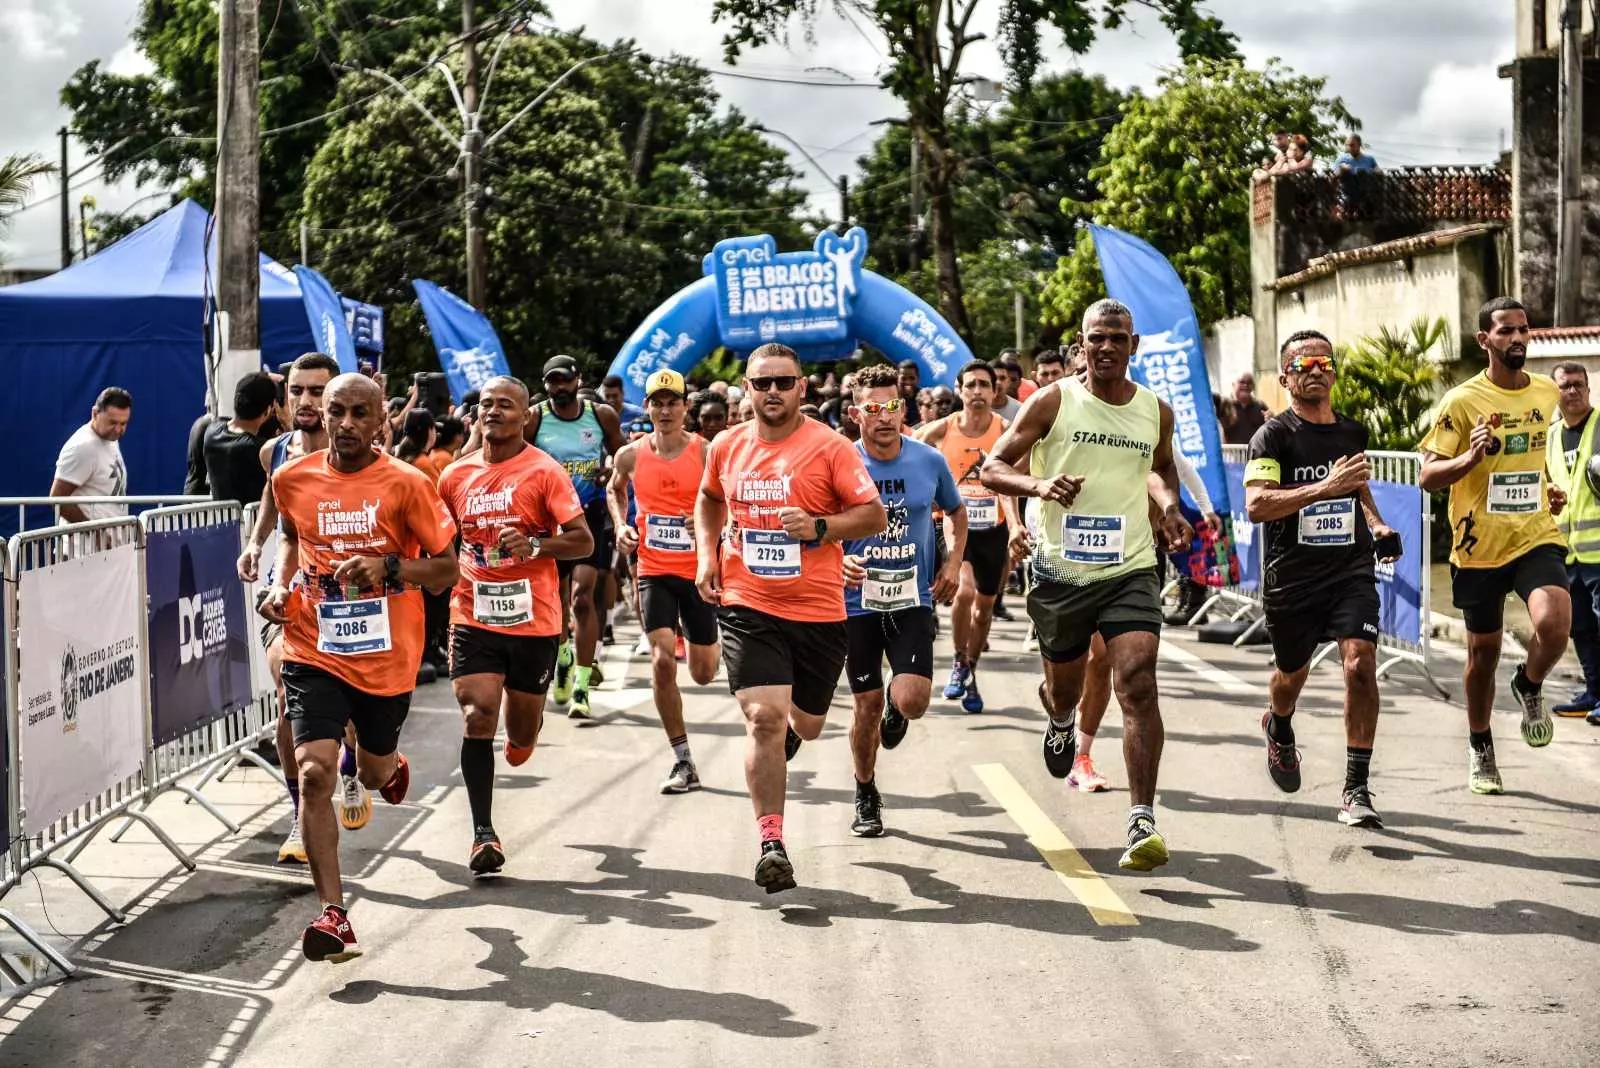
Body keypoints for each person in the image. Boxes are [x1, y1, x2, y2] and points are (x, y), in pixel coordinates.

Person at [981, 298, 1191, 873]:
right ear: (1081, 344)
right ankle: (1058, 718)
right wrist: (1040, 486)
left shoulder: (1154, 410)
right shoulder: (1052, 401)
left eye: (1116, 338)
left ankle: (1141, 817)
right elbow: (992, 468)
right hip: (1062, 571)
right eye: (1095, 338)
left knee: (1138, 680)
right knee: (1066, 688)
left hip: (1130, 567)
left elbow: (1162, 464)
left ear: (1134, 345)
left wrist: (1169, 507)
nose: (1105, 347)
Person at [258, 373, 460, 961]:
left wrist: (389, 568)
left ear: (381, 422)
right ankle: (334, 914)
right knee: (316, 773)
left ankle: (387, 762)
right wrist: (280, 585)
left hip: (386, 657)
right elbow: (292, 541)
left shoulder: (407, 484)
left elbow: (448, 570)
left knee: (369, 777)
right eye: (335, 411)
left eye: (357, 413)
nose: (344, 423)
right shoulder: (292, 477)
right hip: (312, 645)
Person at [695, 342, 886, 893]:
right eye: (762, 383)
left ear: (803, 388)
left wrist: (821, 529)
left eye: (783, 382)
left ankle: (788, 743)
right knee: (764, 718)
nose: (772, 392)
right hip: (747, 601)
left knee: (806, 722)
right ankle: (771, 842)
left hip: (819, 609)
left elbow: (872, 515)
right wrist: (707, 555)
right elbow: (709, 499)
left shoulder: (830, 448)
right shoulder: (727, 446)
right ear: (746, 390)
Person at [437, 376, 593, 874]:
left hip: (534, 620)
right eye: (486, 404)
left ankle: (526, 731)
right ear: (476, 415)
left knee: (520, 735)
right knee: (477, 715)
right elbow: (437, 545)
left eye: (506, 405)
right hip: (473, 612)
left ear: (526, 416)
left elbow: (583, 541)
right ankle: (484, 833)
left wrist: (536, 545)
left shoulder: (544, 472)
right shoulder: (454, 477)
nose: (494, 412)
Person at [1244, 331, 1399, 827]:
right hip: (1292, 578)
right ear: (1286, 377)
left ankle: (1356, 789)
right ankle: (1279, 723)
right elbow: (1257, 504)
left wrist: (1376, 524)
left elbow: (1355, 489)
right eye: (1303, 364)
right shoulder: (1272, 436)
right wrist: (1323, 487)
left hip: (1349, 570)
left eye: (1324, 363)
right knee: (1291, 675)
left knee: (1360, 664)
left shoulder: (1352, 432)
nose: (1315, 370)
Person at [1419, 297, 1570, 794]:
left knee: (1554, 622)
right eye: (1506, 331)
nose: (1518, 339)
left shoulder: (1546, 393)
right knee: (1481, 657)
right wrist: (1469, 456)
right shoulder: (1462, 401)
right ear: (1485, 340)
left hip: (1534, 535)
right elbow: (1427, 476)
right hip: (1477, 548)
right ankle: (1480, 746)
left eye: (1523, 330)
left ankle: (1528, 683)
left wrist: (1548, 485)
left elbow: (1539, 456)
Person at [237, 353, 374, 863]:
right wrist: (254, 545)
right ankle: (299, 816)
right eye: (297, 392)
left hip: (352, 604)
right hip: (293, 595)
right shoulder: (275, 452)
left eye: (318, 392)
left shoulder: (363, 454)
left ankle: (353, 768)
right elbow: (275, 507)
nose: (307, 402)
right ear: (283, 398)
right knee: (287, 696)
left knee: (350, 713)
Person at [838, 365, 966, 837]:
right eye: (873, 408)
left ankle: (898, 707)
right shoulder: (839, 460)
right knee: (864, 707)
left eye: (892, 406)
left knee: (911, 700)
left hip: (911, 597)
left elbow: (956, 510)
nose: (884, 417)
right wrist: (837, 561)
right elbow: (817, 525)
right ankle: (865, 791)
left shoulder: (928, 460)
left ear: (903, 408)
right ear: (856, 413)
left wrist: (951, 564)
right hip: (857, 603)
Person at [609, 369, 720, 794]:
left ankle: (706, 645)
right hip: (653, 569)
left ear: (685, 408)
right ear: (649, 408)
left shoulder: (707, 453)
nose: (665, 409)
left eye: (673, 402)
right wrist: (621, 525)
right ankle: (683, 760)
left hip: (697, 571)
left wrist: (712, 528)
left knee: (704, 672)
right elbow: (615, 491)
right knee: (659, 659)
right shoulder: (631, 455)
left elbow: (726, 499)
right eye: (657, 402)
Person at [527, 355, 626, 720]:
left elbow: (624, 456)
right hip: (549, 521)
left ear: (577, 380)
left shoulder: (600, 416)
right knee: (556, 601)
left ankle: (582, 687)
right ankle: (564, 654)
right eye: (552, 382)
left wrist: (611, 470)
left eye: (564, 381)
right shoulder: (536, 418)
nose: (559, 388)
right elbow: (518, 459)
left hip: (589, 518)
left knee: (583, 598)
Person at [917, 361, 1016, 713]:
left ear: (994, 392)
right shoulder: (939, 431)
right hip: (954, 526)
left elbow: (1012, 482)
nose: (977, 391)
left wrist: (1018, 527)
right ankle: (960, 659)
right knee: (965, 591)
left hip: (994, 530)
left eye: (984, 385)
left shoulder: (1006, 430)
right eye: (970, 385)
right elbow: (907, 456)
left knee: (985, 609)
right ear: (960, 390)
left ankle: (969, 668)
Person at [1545, 362, 1600, 721]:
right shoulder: (1549, 436)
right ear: (1555, 393)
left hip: (1599, 549)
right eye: (1565, 386)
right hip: (1567, 551)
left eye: (1579, 385)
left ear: (1589, 389)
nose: (1573, 391)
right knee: (1578, 625)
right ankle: (1594, 691)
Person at [50, 387, 132, 522]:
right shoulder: (83, 447)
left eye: (123, 423)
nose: (118, 429)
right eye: (112, 422)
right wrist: (94, 531)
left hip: (111, 538)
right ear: (95, 413)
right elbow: (57, 499)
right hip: (86, 542)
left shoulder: (110, 438)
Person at [204, 372, 280, 506]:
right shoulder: (260, 449)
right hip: (253, 524)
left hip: (223, 525)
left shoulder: (211, 433)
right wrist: (286, 419)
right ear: (268, 410)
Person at [991, 353, 1024, 423]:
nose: (998, 382)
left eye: (1002, 378)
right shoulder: (978, 408)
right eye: (993, 378)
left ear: (1008, 382)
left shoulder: (1021, 410)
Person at [897, 360, 922, 427]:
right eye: (903, 378)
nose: (908, 382)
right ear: (897, 378)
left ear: (918, 378)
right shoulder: (891, 397)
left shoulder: (924, 398)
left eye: (912, 378)